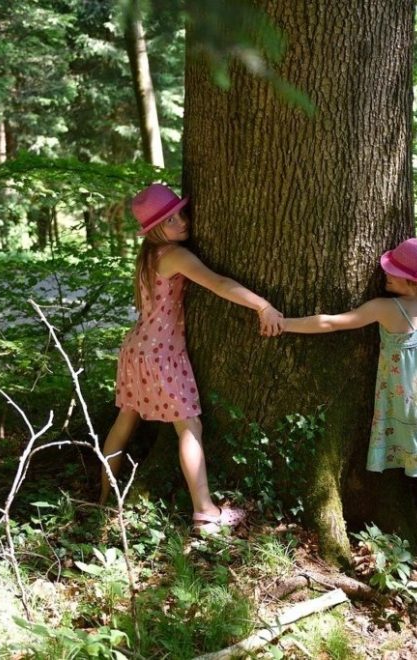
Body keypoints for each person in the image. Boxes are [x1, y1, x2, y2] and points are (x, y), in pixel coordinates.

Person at [281, 238, 417, 562]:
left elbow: (331, 322)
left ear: (413, 282)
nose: (383, 272)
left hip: (414, 413)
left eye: (394, 271)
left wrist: (285, 323)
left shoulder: (387, 309)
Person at [100, 183, 284, 535]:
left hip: (136, 348)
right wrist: (262, 304)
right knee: (189, 427)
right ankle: (204, 511)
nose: (183, 222)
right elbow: (218, 283)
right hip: (162, 354)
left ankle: (104, 496)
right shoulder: (175, 256)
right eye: (172, 219)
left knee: (126, 420)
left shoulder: (148, 255)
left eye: (181, 213)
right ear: (157, 228)